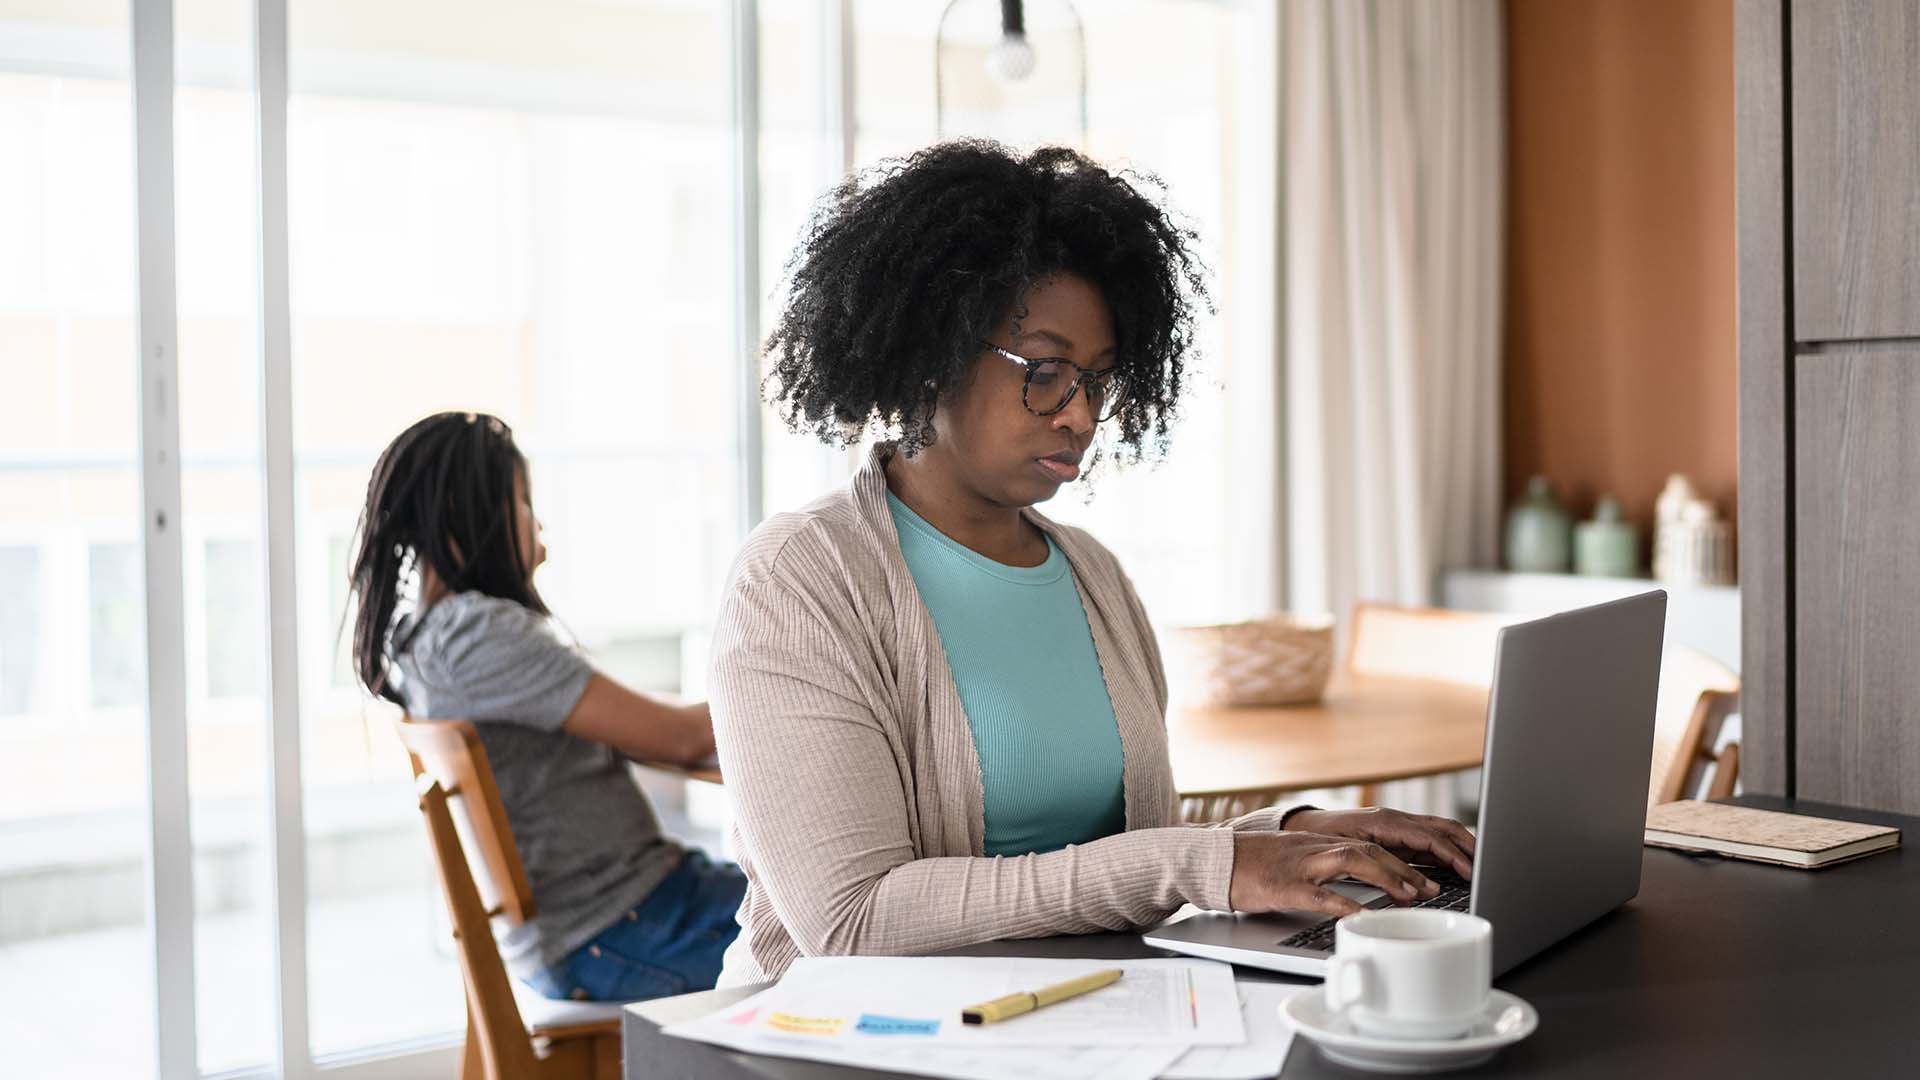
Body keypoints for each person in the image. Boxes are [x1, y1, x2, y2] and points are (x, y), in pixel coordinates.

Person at [708, 141, 1478, 985]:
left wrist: (1292, 827)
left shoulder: (1091, 574)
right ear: (930, 348)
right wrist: (1204, 864)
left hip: (1075, 1016)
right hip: (841, 1041)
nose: (1079, 415)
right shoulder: (800, 579)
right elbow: (852, 920)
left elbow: (1123, 838)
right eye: (1044, 371)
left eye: (1099, 379)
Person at [347, 411, 745, 1001]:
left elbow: (643, 720)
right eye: (523, 500)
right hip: (620, 927)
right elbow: (682, 739)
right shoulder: (479, 635)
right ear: (469, 512)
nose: (539, 522)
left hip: (601, 927)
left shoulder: (428, 638)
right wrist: (787, 681)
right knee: (843, 924)